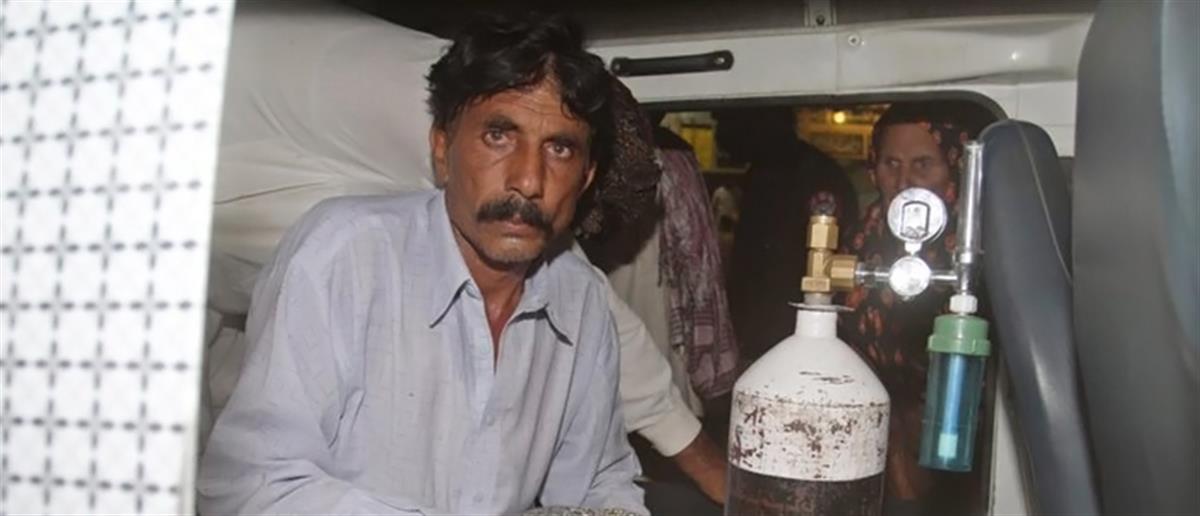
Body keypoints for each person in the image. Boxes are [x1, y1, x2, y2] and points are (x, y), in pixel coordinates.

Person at [199, 14, 647, 514]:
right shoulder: (344, 254)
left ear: (585, 177)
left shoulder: (581, 298)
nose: (528, 180)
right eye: (499, 136)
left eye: (559, 149)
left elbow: (600, 483)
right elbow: (250, 485)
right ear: (442, 147)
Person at [837, 101, 993, 515]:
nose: (904, 181)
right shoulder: (863, 237)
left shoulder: (985, 246)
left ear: (956, 166)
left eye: (923, 164)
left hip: (961, 435)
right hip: (882, 433)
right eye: (891, 164)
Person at [717, 106, 859, 363]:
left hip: (799, 334)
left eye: (727, 119)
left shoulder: (812, 176)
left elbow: (809, 269)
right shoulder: (765, 172)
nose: (721, 132)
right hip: (761, 335)